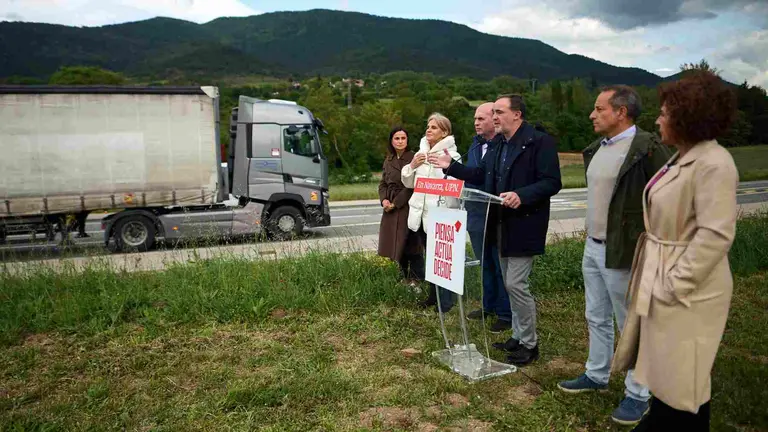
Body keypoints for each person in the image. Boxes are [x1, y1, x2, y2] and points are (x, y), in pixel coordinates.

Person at [612, 70, 739, 431]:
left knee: (685, 381)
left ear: (688, 117)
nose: (657, 119)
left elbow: (715, 235)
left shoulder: (714, 163)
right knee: (667, 377)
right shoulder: (682, 156)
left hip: (689, 290)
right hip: (666, 276)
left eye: (665, 113)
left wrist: (673, 285)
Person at [557, 85, 671, 425]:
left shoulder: (647, 149)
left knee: (631, 323)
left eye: (599, 109)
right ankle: (597, 373)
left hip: (626, 251)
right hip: (593, 247)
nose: (592, 114)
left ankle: (639, 393)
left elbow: (668, 198)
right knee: (595, 315)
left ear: (621, 112)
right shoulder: (598, 149)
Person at [429, 94, 561, 365]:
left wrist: (522, 195)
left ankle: (530, 343)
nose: (495, 117)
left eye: (499, 112)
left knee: (515, 284)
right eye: (495, 112)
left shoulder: (539, 142)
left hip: (525, 224)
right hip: (500, 223)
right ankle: (519, 335)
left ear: (517, 114)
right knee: (509, 282)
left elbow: (552, 182)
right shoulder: (500, 144)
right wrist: (452, 168)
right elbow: (481, 176)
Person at [464, 102, 516, 334]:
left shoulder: (501, 147)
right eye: (475, 119)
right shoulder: (474, 146)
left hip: (495, 215)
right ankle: (488, 306)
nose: (476, 123)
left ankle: (505, 313)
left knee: (498, 264)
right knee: (484, 263)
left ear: (494, 119)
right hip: (475, 215)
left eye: (481, 118)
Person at [401, 113, 461, 313]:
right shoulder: (421, 155)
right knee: (430, 259)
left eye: (434, 127)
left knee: (443, 259)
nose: (428, 130)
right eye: (428, 126)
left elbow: (455, 189)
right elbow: (409, 183)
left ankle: (446, 301)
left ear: (445, 132)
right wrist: (412, 166)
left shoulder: (451, 156)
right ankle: (433, 296)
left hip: (441, 216)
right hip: (421, 217)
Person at [377, 127, 420, 281]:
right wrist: (384, 200)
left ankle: (416, 279)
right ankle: (403, 277)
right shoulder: (388, 160)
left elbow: (414, 185)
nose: (400, 141)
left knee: (410, 243)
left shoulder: (414, 158)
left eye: (403, 138)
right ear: (391, 141)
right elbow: (382, 184)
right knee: (395, 244)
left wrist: (396, 203)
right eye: (397, 138)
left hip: (407, 204)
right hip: (390, 207)